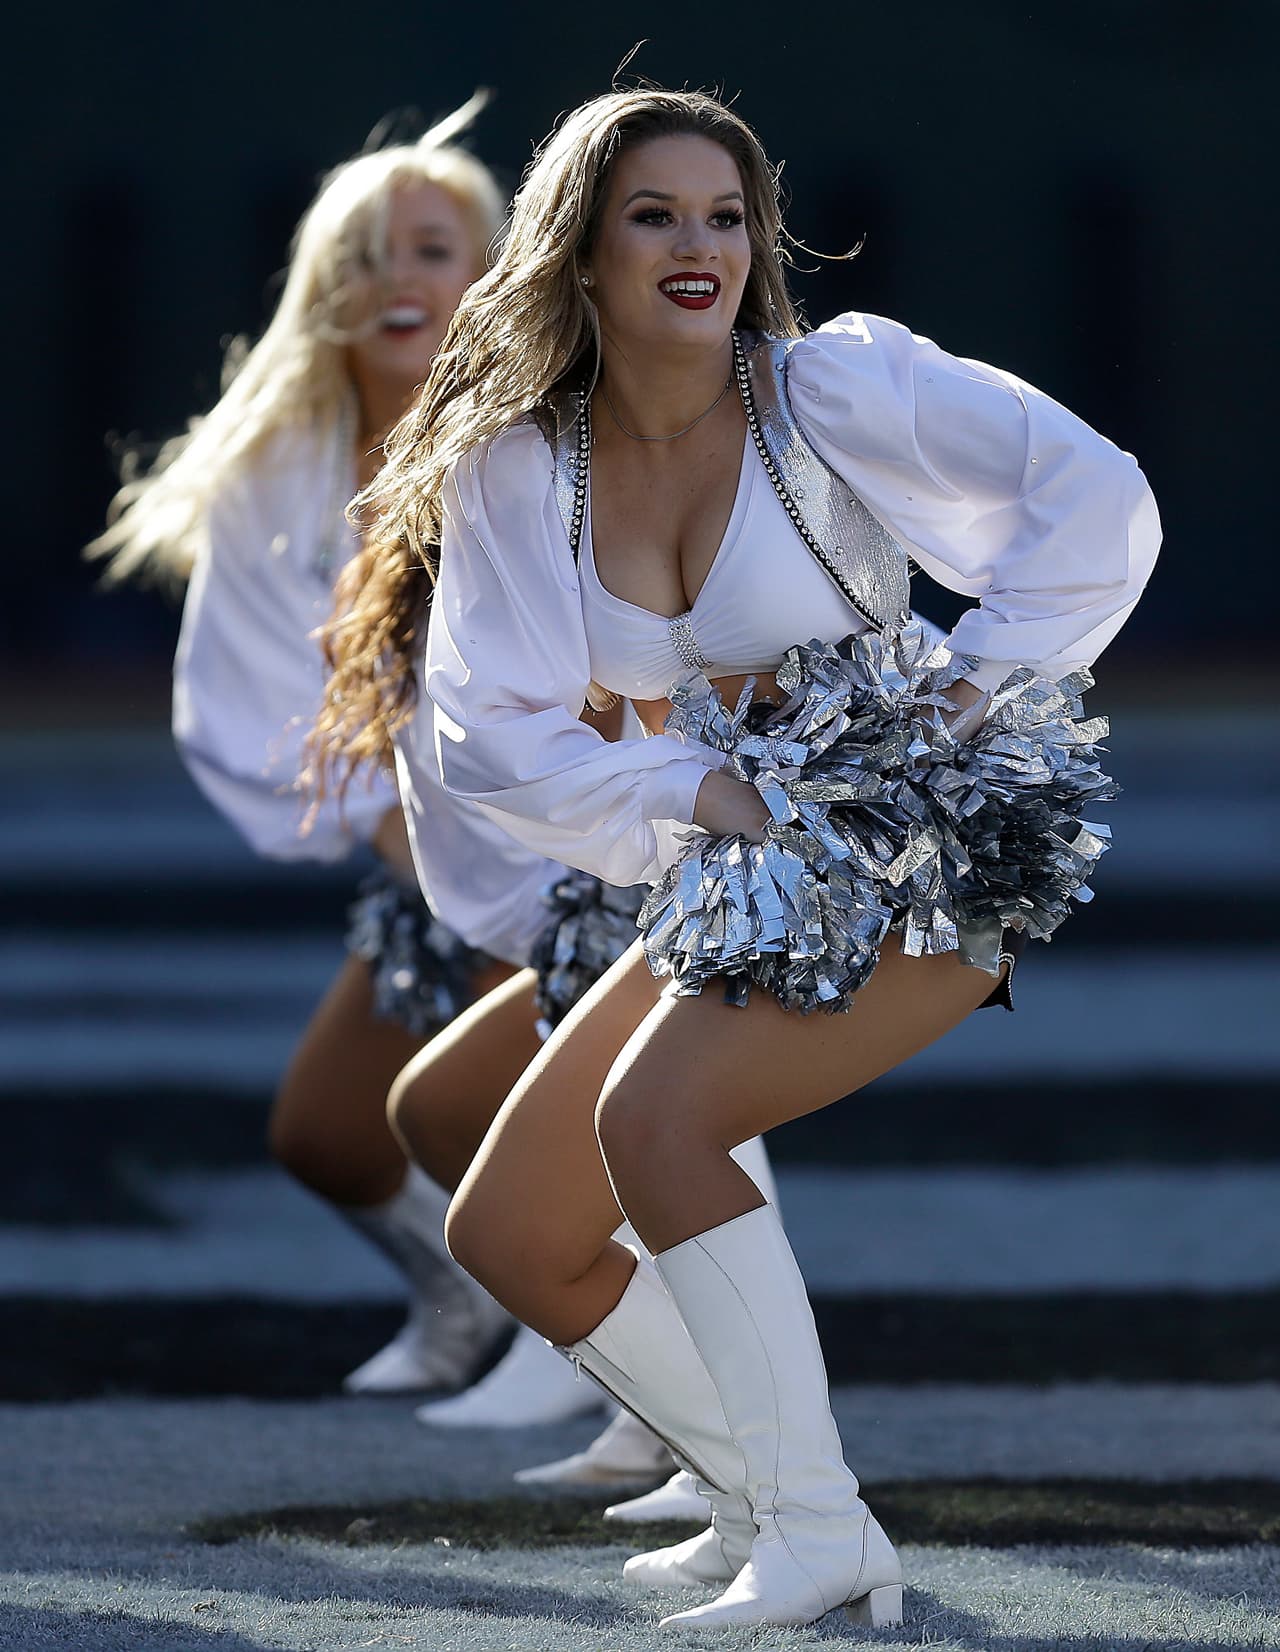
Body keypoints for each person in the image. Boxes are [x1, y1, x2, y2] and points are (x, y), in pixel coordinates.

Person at [316, 86, 1160, 1629]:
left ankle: (815, 1528)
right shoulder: (524, 467)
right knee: (512, 1230)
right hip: (750, 858)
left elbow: (1098, 496)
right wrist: (703, 789)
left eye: (725, 215)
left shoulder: (828, 388)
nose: (697, 245)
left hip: (921, 835)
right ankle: (768, 1500)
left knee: (657, 1124)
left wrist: (973, 690)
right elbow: (494, 737)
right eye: (654, 216)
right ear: (581, 252)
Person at [86, 96, 538, 1398]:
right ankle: (468, 1300)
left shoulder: (552, 433)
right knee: (330, 1135)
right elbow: (251, 694)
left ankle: (597, 1351)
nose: (398, 281)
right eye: (363, 258)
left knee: (534, 1109)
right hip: (424, 856)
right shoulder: (274, 469)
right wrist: (392, 826)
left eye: (432, 251)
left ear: (490, 274)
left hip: (585, 840)